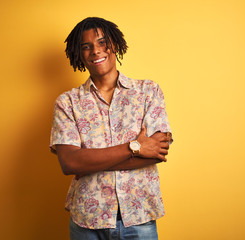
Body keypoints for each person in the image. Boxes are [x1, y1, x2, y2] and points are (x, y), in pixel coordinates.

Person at [50, 17, 173, 240]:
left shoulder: (148, 92)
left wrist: (90, 159)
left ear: (114, 44)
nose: (95, 51)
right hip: (87, 220)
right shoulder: (67, 102)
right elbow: (70, 163)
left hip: (139, 218)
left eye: (102, 42)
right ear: (79, 55)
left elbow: (157, 152)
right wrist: (135, 147)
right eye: (86, 47)